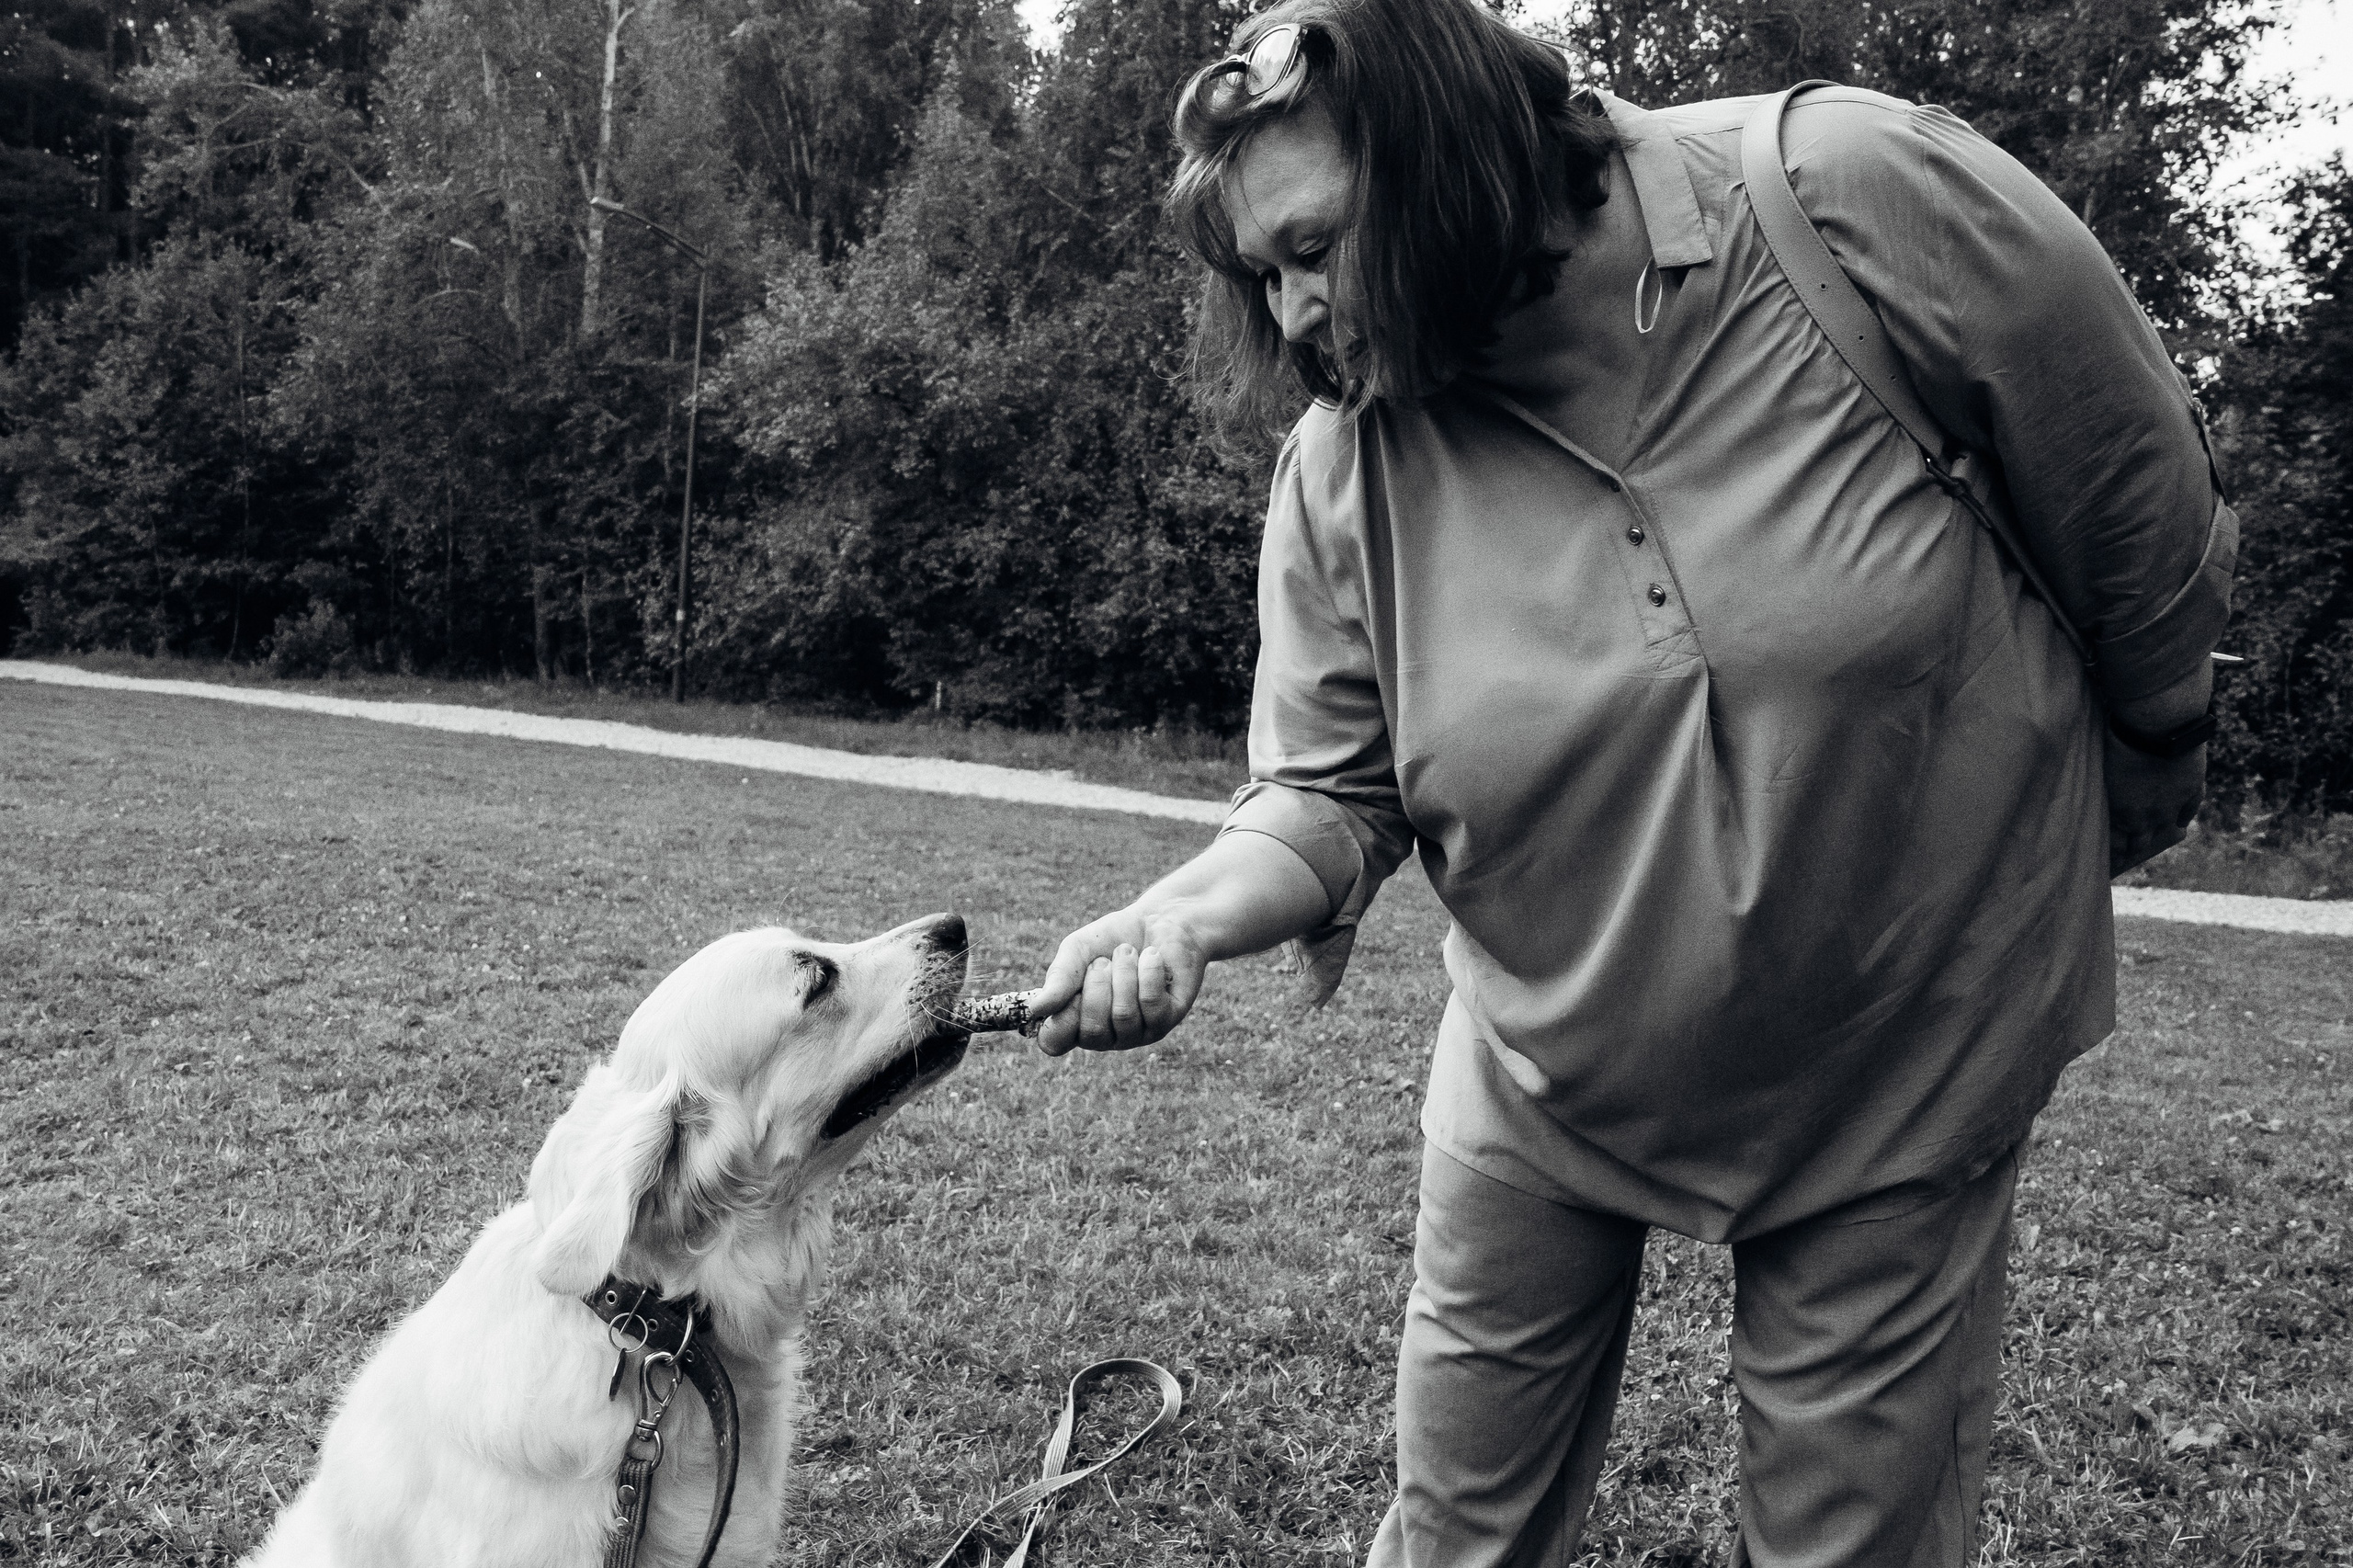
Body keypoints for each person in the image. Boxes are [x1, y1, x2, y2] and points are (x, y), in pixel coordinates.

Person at [1025, 0, 2237, 1561]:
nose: (1298, 312)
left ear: (1455, 162)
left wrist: (2152, 753)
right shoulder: (1346, 461)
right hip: (1543, 1062)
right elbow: (1330, 792)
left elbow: (2134, 496)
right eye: (1264, 273)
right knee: (1454, 1534)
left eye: (1315, 244)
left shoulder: (1848, 199)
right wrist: (1183, 915)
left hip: (1901, 1054)